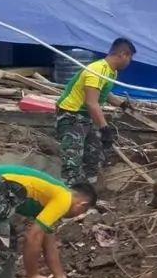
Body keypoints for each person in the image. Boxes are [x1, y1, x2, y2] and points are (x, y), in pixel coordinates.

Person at [55, 38, 136, 186]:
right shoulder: (97, 70)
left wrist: (122, 104)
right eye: (130, 57)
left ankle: (90, 189)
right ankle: (71, 192)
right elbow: (92, 103)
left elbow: (103, 93)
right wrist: (104, 128)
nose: (129, 62)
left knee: (93, 154)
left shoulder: (112, 72)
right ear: (123, 54)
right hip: (72, 114)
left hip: (86, 116)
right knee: (73, 157)